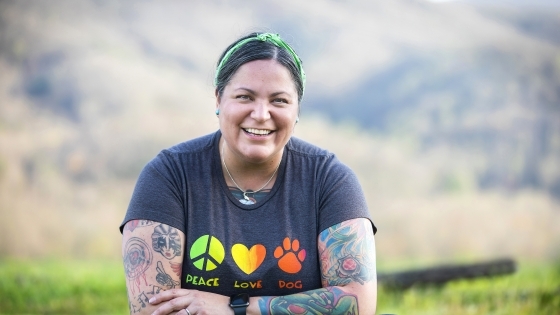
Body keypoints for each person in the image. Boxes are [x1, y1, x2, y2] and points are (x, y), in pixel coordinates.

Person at [120, 32, 378, 315]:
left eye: (279, 101)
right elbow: (152, 308)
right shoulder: (169, 175)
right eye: (245, 97)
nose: (261, 114)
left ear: (297, 109)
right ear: (219, 99)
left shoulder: (331, 180)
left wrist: (236, 307)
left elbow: (357, 303)